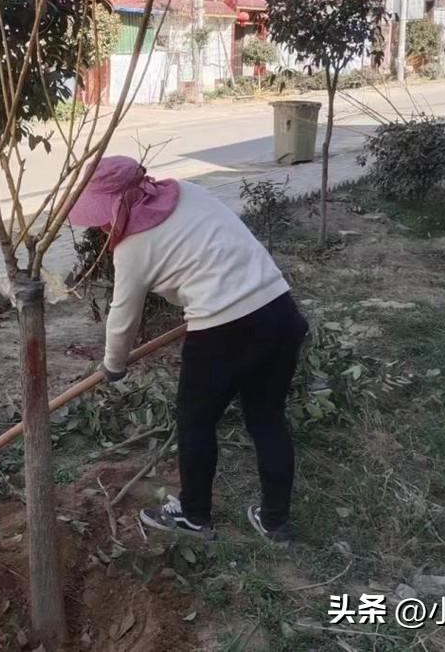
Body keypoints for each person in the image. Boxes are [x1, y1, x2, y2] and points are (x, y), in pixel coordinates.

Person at [68, 156, 308, 542]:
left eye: (100, 213)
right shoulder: (190, 194)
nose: (99, 224)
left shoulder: (132, 248)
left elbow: (123, 317)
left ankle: (194, 516)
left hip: (221, 333)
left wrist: (113, 366)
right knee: (267, 419)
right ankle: (276, 521)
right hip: (279, 312)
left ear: (115, 204)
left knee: (195, 422)